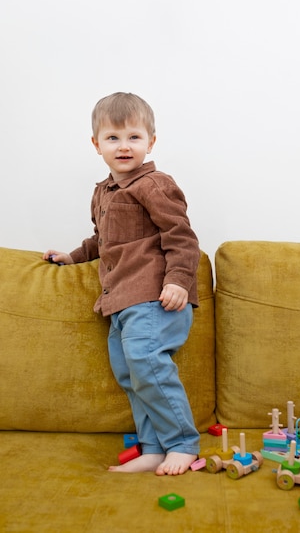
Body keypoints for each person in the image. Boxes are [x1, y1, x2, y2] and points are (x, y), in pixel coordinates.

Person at [43, 92, 201, 475]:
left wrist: (179, 280)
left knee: (148, 366)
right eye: (113, 138)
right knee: (131, 377)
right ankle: (153, 448)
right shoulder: (102, 192)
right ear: (96, 145)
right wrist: (73, 257)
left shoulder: (155, 184)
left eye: (134, 137)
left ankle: (182, 444)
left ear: (151, 141)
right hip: (119, 305)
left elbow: (181, 238)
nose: (124, 146)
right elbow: (102, 240)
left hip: (154, 298)